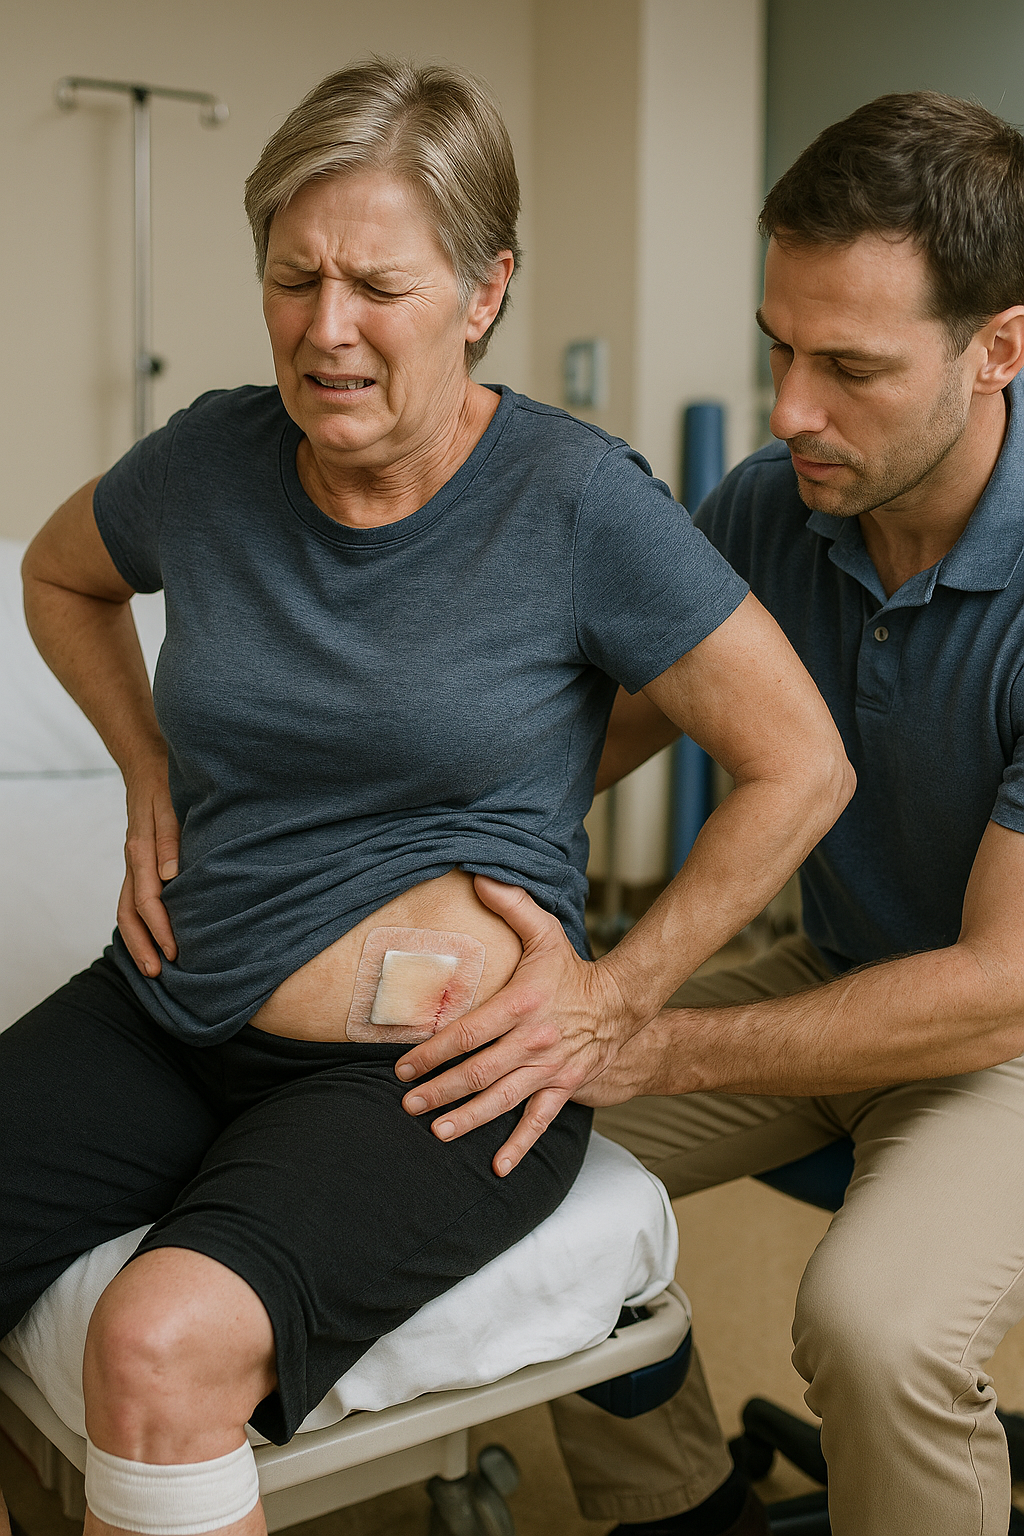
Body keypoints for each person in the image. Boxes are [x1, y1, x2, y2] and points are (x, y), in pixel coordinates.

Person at [0, 58, 849, 1536]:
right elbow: (61, 575)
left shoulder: (579, 503)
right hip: (169, 1001)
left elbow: (802, 763)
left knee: (156, 1343)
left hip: (428, 1086)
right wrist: (144, 764)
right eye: (294, 276)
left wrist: (620, 994)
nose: (326, 329)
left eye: (377, 286)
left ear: (483, 289)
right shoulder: (209, 458)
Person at [397, 90, 1024, 1536]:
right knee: (486, 1159)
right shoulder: (770, 508)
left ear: (997, 349)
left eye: (849, 366)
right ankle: (684, 1511)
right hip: (841, 974)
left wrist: (644, 1031)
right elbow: (586, 743)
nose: (791, 409)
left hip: (1000, 1037)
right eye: (779, 351)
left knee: (876, 1332)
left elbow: (992, 996)